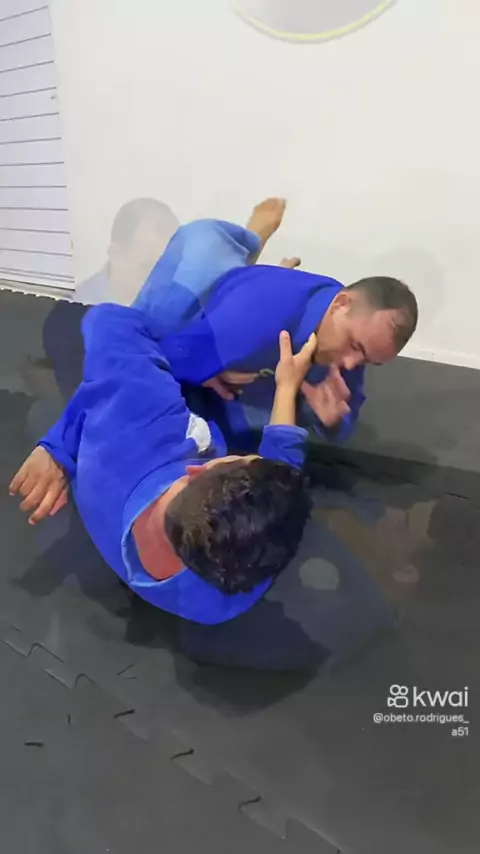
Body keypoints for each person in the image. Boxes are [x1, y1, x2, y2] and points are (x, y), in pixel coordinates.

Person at [75, 197, 179, 306]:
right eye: (148, 269)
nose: (162, 282)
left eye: (171, 269)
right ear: (116, 255)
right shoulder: (79, 307)